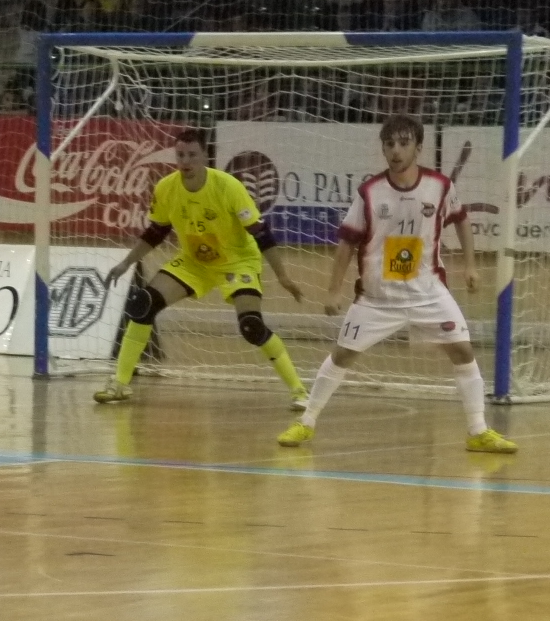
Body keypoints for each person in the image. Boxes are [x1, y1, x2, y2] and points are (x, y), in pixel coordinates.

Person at [278, 115, 517, 453]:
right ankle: (306, 422)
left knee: (463, 351)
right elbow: (346, 243)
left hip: (428, 293)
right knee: (342, 354)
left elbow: (462, 220)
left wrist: (470, 266)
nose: (396, 150)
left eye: (404, 143)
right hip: (378, 298)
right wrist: (333, 290)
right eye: (389, 144)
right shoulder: (370, 192)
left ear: (418, 148)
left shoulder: (439, 186)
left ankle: (478, 430)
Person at [95, 128, 310, 407]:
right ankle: (120, 384)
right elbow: (156, 231)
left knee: (251, 326)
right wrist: (127, 262)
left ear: (205, 155)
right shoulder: (166, 188)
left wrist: (283, 276)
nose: (185, 162)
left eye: (192, 155)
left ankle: (299, 391)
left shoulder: (228, 186)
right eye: (180, 155)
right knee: (143, 304)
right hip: (195, 262)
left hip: (237, 261)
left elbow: (261, 233)